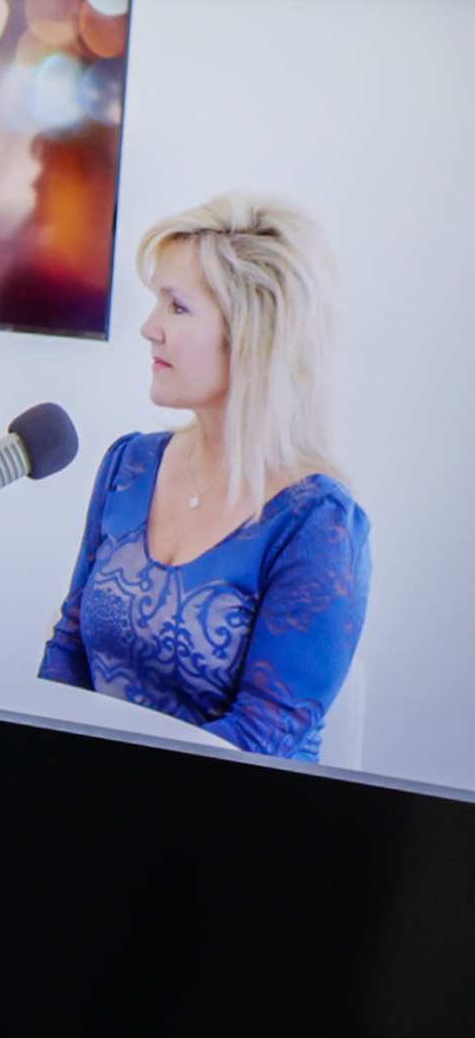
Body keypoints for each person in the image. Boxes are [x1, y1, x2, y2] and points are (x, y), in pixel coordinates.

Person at [42, 192, 371, 763]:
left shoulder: (319, 526)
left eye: (177, 307)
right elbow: (68, 651)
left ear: (252, 334)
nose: (149, 328)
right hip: (91, 809)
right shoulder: (129, 466)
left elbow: (260, 738)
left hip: (230, 827)